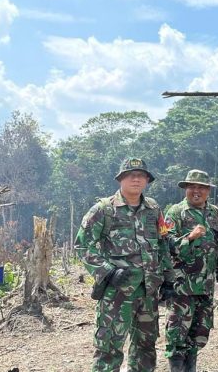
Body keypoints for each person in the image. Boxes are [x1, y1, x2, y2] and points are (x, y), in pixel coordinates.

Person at [74, 157, 172, 372]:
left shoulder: (154, 209)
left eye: (141, 175)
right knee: (109, 347)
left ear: (147, 180)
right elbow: (82, 246)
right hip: (117, 293)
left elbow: (163, 244)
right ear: (121, 179)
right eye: (131, 175)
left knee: (146, 346)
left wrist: (168, 280)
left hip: (148, 292)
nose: (136, 179)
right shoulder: (104, 209)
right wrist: (107, 272)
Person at [163, 170, 218, 372]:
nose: (196, 191)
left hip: (206, 286)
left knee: (200, 332)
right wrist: (189, 238)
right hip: (181, 287)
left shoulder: (215, 213)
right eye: (192, 187)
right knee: (177, 333)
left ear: (208, 190)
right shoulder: (175, 213)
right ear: (185, 189)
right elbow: (166, 246)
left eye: (201, 187)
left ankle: (190, 367)